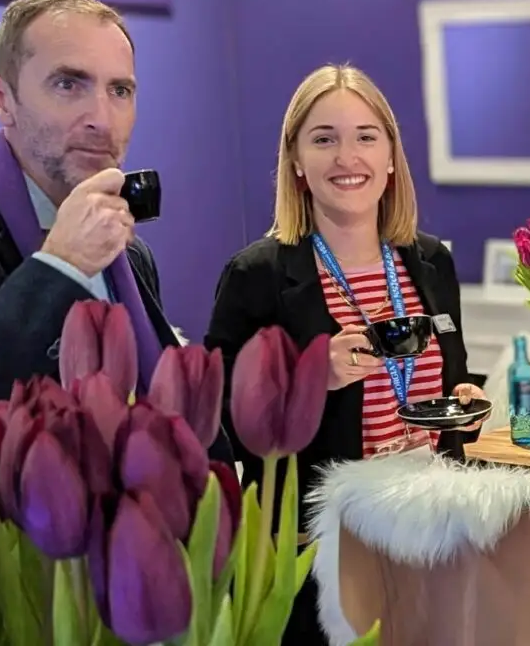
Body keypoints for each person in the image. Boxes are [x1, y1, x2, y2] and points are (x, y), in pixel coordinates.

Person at [0, 0, 232, 464]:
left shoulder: (128, 254)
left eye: (120, 90)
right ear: (1, 100)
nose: (102, 118)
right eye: (68, 84)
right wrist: (59, 269)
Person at [204, 63, 490, 643]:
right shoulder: (257, 275)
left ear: (390, 156)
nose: (347, 157)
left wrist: (463, 400)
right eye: (324, 139)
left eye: (365, 137)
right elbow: (214, 417)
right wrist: (312, 380)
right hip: (318, 552)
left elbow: (444, 378)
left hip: (429, 532)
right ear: (296, 163)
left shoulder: (430, 262)